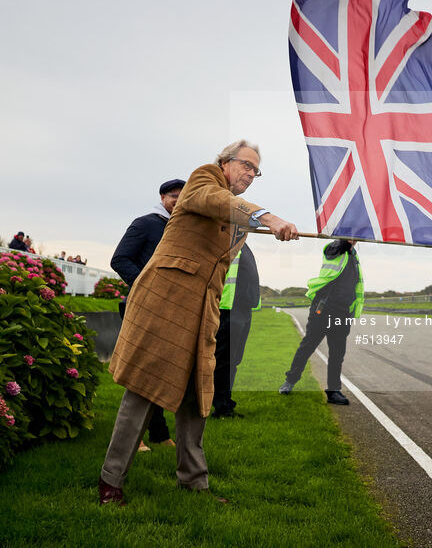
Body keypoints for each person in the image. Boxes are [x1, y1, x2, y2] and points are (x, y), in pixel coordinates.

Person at [99, 140, 297, 506]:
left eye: (256, 171)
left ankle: (193, 483)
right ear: (225, 162)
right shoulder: (203, 180)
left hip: (204, 311)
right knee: (143, 390)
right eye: (246, 166)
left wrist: (272, 226)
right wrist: (269, 217)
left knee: (197, 397)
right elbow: (221, 202)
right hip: (164, 303)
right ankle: (111, 482)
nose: (251, 175)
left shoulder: (238, 222)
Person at [109, 178, 186, 452]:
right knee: (140, 372)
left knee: (156, 372)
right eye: (174, 196)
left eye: (183, 196)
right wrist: (145, 285)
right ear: (164, 197)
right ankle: (135, 437)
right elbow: (119, 260)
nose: (179, 200)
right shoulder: (145, 223)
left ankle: (158, 432)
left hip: (169, 310)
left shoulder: (181, 226)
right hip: (142, 306)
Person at [279, 239, 363, 406]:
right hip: (323, 308)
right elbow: (337, 246)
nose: (354, 237)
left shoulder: (354, 256)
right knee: (308, 346)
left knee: (337, 353)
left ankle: (333, 391)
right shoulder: (335, 248)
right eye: (350, 233)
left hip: (342, 313)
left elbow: (355, 286)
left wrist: (351, 311)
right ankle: (290, 381)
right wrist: (344, 238)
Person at [211, 245, 260, 418]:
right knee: (224, 360)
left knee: (234, 360)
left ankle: (226, 402)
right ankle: (221, 407)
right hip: (228, 308)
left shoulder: (244, 244)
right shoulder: (229, 241)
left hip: (244, 308)